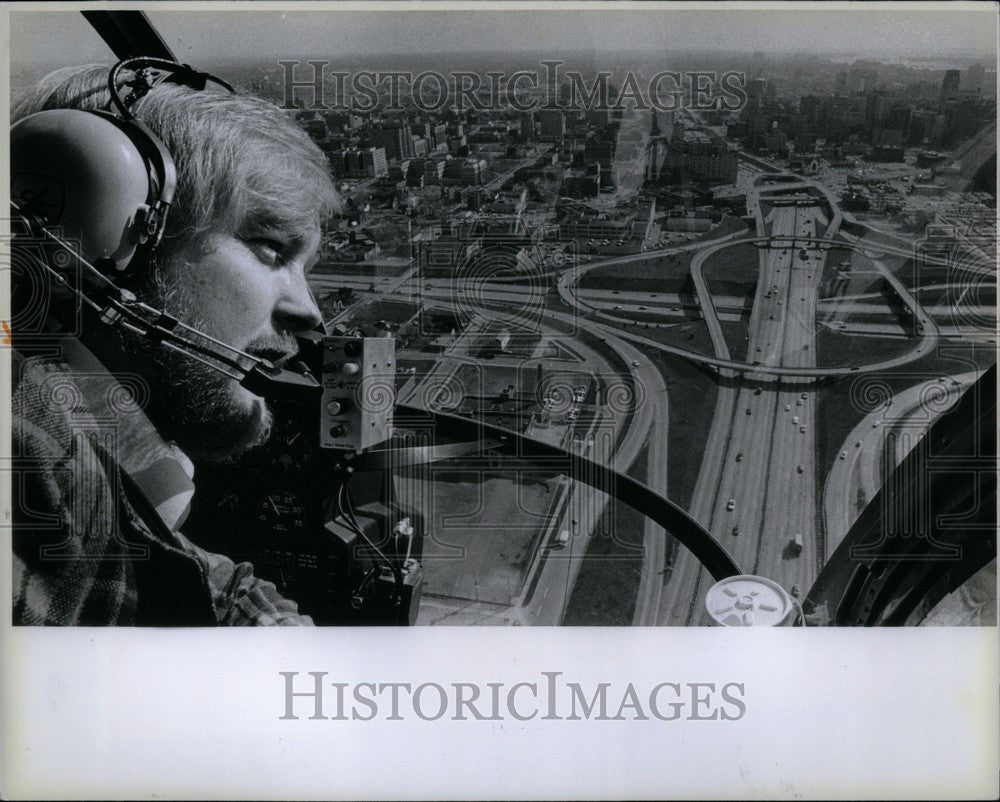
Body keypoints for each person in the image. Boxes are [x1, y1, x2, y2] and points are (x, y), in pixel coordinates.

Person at [10, 63, 340, 625]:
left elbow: (179, 567)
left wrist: (263, 621)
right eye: (270, 249)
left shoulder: (88, 445)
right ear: (104, 228)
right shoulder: (28, 448)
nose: (309, 311)